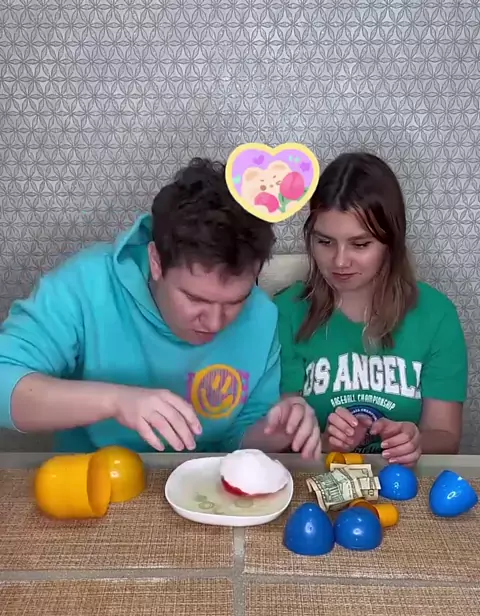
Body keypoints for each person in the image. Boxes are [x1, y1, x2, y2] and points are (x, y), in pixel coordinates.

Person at [0, 158, 321, 459]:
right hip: (91, 478)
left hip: (203, 487)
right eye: (195, 299)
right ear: (156, 261)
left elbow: (239, 435)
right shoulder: (87, 285)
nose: (214, 322)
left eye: (235, 302)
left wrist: (274, 434)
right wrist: (116, 401)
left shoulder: (263, 316)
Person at [274, 152, 467, 465]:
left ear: (391, 243)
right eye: (324, 242)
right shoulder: (285, 312)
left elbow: (446, 436)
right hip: (317, 479)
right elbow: (278, 442)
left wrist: (415, 441)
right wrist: (324, 443)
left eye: (360, 244)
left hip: (401, 483)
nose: (339, 261)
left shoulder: (436, 315)